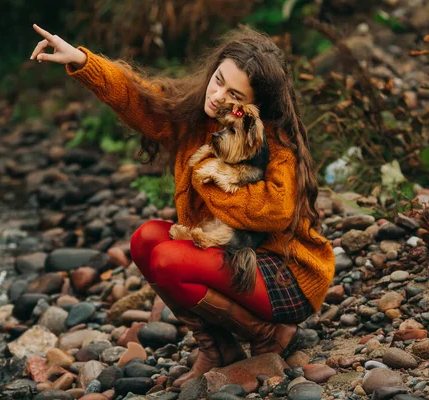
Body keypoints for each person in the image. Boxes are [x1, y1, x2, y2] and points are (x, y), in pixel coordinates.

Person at [30, 24, 335, 388]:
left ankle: (267, 333)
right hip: (232, 254)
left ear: (253, 105)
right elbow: (138, 96)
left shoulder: (269, 139)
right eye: (218, 80)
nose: (218, 95)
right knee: (146, 240)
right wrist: (82, 60)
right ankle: (217, 347)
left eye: (234, 94)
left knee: (169, 259)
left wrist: (209, 175)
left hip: (286, 273)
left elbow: (276, 209)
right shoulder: (194, 114)